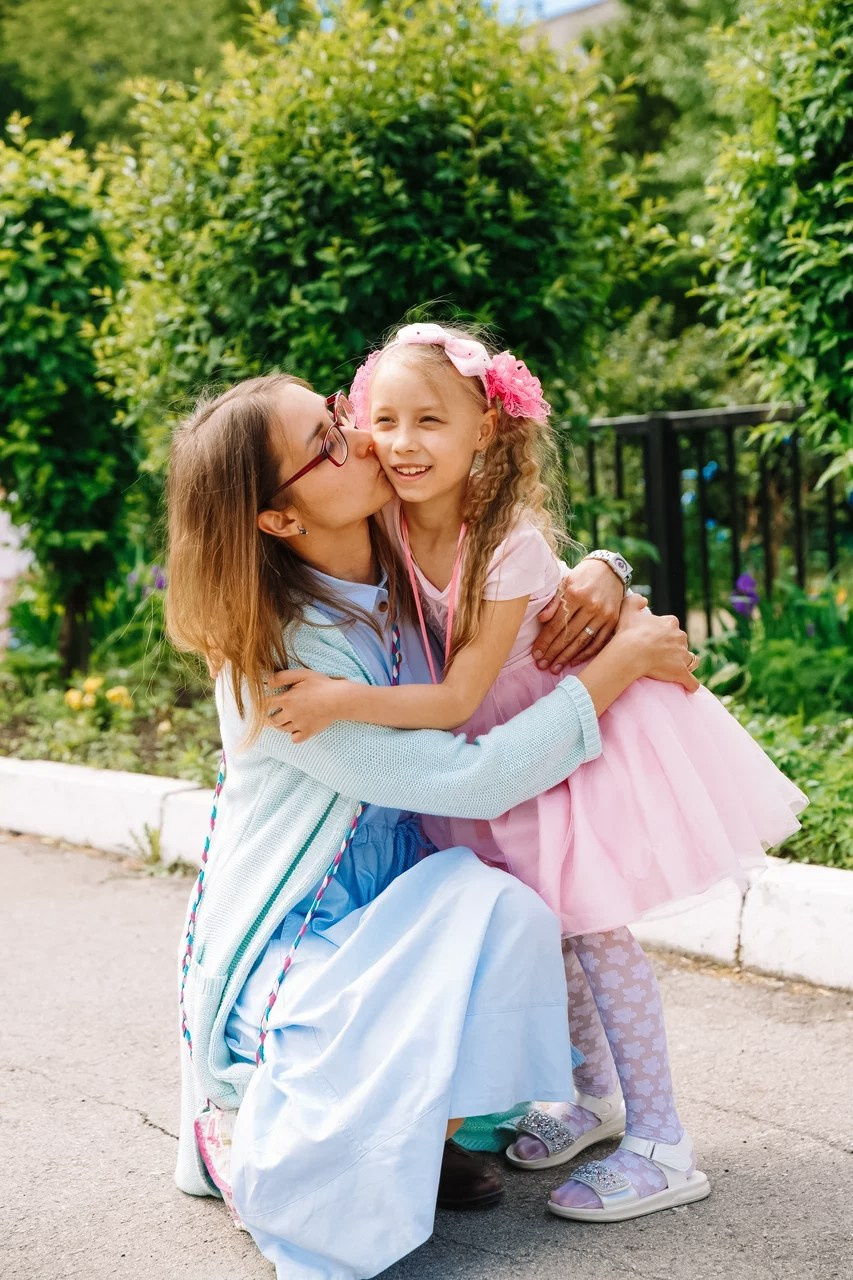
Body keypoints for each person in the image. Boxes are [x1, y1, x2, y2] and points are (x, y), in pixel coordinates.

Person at [166, 371, 698, 1279]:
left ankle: (427, 1131)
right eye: (326, 444)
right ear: (280, 519)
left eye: (336, 414)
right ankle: (245, 1125)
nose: (363, 437)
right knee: (322, 1191)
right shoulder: (278, 663)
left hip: (397, 905)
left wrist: (603, 574)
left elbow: (507, 545)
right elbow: (473, 778)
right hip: (299, 938)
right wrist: (620, 665)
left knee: (503, 910)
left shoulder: (393, 545)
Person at [273, 322, 808, 1224]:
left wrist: (338, 700)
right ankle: (592, 1097)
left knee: (594, 928)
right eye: (384, 420)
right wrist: (608, 567)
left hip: (569, 731)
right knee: (548, 924)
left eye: (430, 421)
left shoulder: (503, 542)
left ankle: (663, 1143)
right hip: (505, 744)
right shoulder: (385, 518)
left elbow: (457, 694)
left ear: (484, 428)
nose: (403, 443)